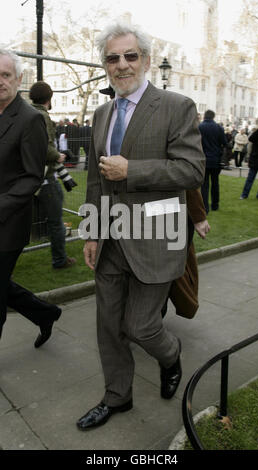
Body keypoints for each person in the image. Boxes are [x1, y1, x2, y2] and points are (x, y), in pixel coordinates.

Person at [76, 22, 205, 431]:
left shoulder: (176, 105)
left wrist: (132, 170)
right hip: (111, 238)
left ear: (146, 60)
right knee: (109, 327)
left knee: (141, 326)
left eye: (130, 56)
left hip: (155, 238)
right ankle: (118, 397)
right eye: (113, 58)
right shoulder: (100, 114)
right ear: (105, 65)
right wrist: (93, 230)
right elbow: (96, 180)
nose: (122, 64)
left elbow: (191, 170)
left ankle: (170, 354)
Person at [0, 49, 61, 346]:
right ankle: (45, 313)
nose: (0, 81)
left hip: (8, 226)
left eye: (5, 75)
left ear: (18, 79)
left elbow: (31, 177)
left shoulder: (30, 119)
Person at [29, 81, 77, 269]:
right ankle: (60, 260)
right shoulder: (42, 116)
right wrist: (59, 155)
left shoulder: (26, 113)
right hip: (45, 177)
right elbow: (45, 147)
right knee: (56, 222)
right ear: (50, 98)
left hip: (28, 176)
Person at [161, 189, 210, 319]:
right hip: (143, 215)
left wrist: (198, 216)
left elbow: (188, 178)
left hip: (167, 215)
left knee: (165, 275)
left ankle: (153, 322)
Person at [199, 109, 227, 213]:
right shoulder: (219, 128)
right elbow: (225, 142)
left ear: (205, 116)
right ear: (213, 117)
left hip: (203, 159)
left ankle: (205, 207)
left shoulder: (200, 127)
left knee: (204, 185)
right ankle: (215, 205)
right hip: (215, 159)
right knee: (215, 183)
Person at [240, 125, 258, 200]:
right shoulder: (257, 134)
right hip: (255, 159)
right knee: (250, 178)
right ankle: (245, 194)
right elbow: (251, 139)